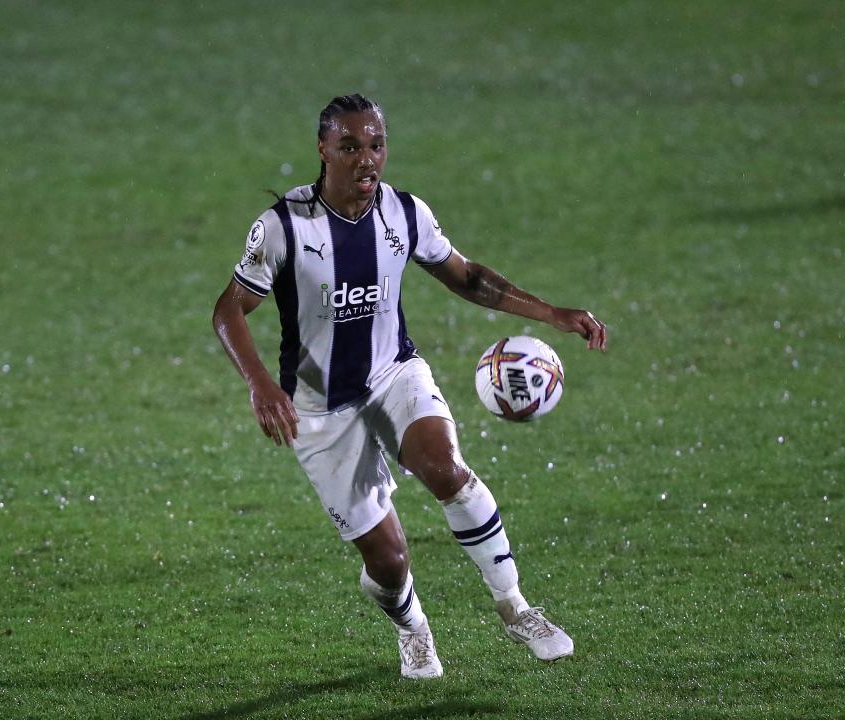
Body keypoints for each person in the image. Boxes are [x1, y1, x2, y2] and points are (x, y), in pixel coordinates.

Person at [213, 94, 607, 679]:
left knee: (447, 469)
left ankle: (517, 608)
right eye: (350, 146)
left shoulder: (404, 213)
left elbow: (468, 277)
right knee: (390, 561)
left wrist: (551, 313)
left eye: (375, 145)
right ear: (323, 150)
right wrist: (261, 386)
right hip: (320, 408)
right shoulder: (283, 228)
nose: (366, 159)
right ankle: (410, 624)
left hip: (393, 373)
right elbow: (229, 311)